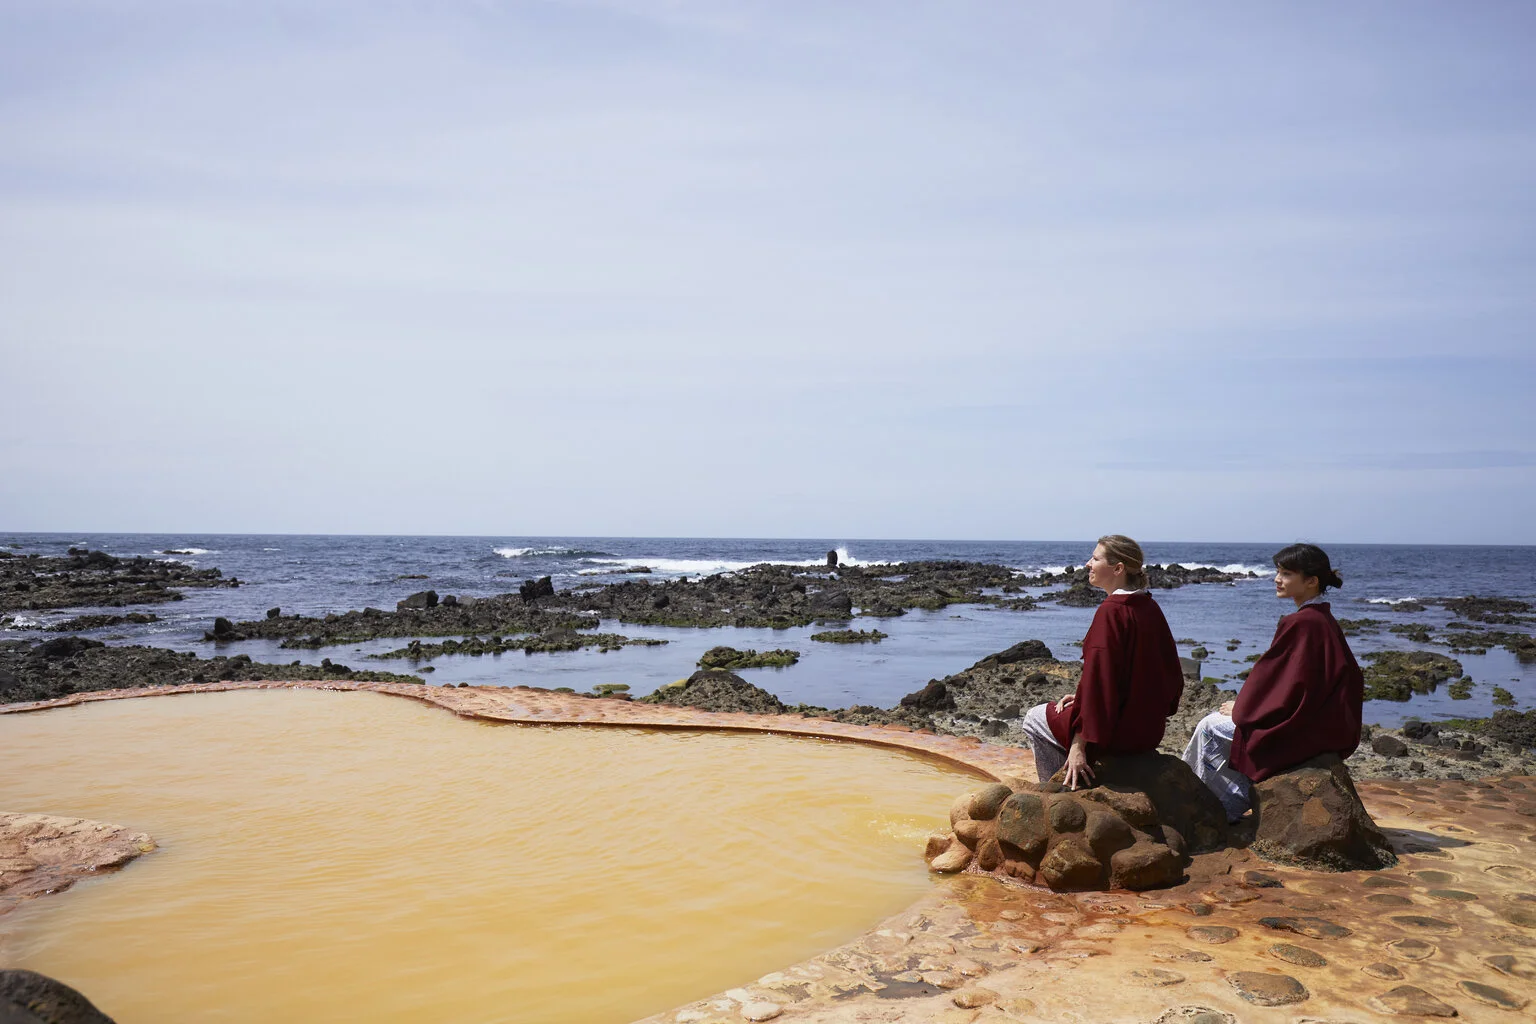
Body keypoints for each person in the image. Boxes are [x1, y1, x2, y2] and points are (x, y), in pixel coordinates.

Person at [1182, 543, 1364, 822]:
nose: (1277, 579)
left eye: (1287, 573)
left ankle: (1204, 806)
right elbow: (1288, 682)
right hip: (1321, 725)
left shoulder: (1302, 622)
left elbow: (1285, 684)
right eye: (1278, 571)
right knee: (1224, 730)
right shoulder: (1320, 617)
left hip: (1301, 729)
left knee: (1209, 727)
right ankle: (1224, 804)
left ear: (1312, 581)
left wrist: (1244, 711)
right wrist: (1247, 707)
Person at [1019, 535, 1185, 789]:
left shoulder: (1112, 611)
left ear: (1118, 569)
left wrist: (1078, 745)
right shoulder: (1149, 606)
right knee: (1063, 709)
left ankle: (1060, 787)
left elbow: (1100, 682)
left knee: (1034, 718)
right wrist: (1082, 698)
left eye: (1095, 559)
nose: (1088, 564)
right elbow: (1170, 676)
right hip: (1149, 731)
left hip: (1115, 734)